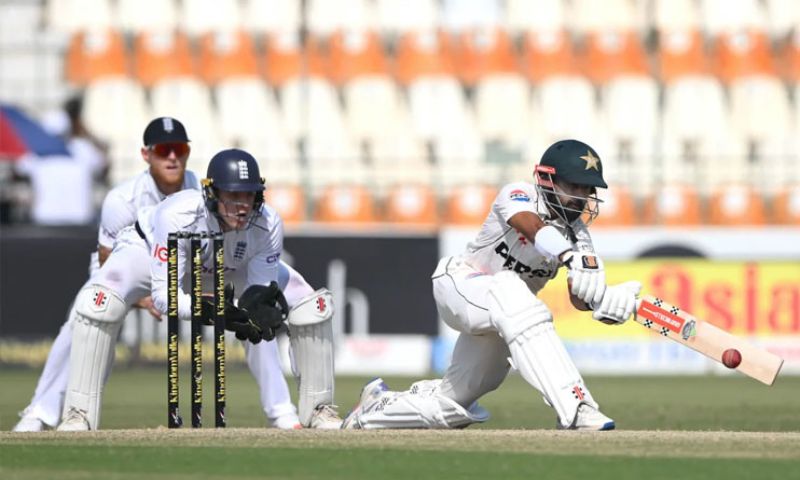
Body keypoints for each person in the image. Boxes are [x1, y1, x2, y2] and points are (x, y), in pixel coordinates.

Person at [13, 119, 314, 431]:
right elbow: (106, 258)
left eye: (179, 150)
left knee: (266, 310)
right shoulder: (123, 200)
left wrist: (240, 306)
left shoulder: (209, 190)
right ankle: (49, 412)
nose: (173, 157)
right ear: (147, 155)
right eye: (164, 150)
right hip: (142, 259)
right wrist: (144, 299)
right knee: (90, 310)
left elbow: (243, 274)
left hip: (205, 263)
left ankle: (287, 413)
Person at [342, 139, 641, 431]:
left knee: (451, 406)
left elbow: (579, 295)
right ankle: (577, 407)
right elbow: (531, 226)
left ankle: (373, 409)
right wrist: (569, 255)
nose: (581, 197)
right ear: (548, 179)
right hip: (461, 285)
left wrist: (605, 299)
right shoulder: (519, 194)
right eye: (574, 187)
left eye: (587, 189)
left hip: (505, 317)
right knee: (511, 288)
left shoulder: (580, 235)